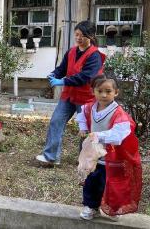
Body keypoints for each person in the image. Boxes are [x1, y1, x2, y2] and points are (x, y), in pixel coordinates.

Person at [36, 20, 106, 165]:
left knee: (85, 129)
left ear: (91, 36)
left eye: (82, 35)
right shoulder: (72, 51)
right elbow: (62, 68)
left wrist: (62, 82)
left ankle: (86, 160)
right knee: (56, 121)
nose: (79, 38)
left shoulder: (95, 56)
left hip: (86, 98)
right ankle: (51, 157)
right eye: (77, 35)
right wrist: (54, 75)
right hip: (68, 95)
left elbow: (86, 77)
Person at [75, 74, 142, 221]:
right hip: (93, 155)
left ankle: (114, 208)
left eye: (108, 91)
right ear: (93, 91)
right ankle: (91, 207)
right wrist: (83, 128)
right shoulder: (90, 107)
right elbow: (81, 115)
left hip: (112, 156)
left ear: (116, 92)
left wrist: (99, 135)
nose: (104, 94)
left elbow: (118, 135)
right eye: (100, 91)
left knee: (113, 184)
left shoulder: (118, 113)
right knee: (91, 181)